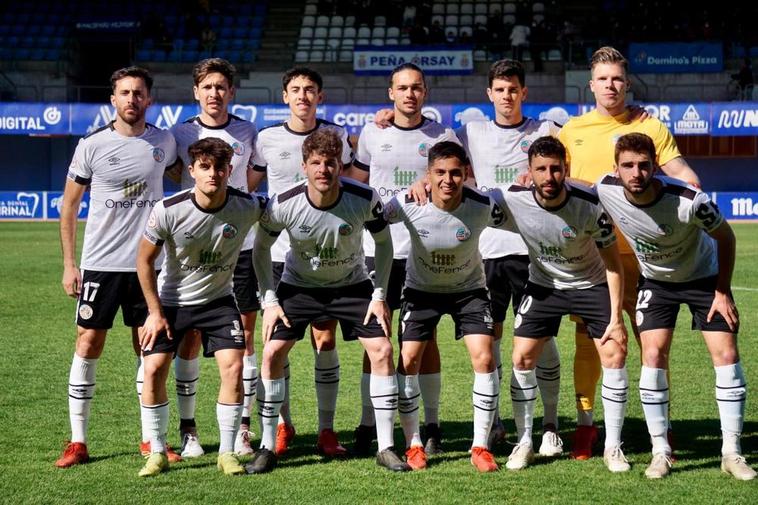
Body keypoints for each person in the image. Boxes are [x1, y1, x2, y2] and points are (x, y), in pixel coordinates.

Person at [557, 46, 701, 460]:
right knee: (592, 342)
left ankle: (663, 427)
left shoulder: (650, 127)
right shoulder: (572, 131)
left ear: (627, 81)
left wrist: (697, 192)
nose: (611, 85)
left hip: (645, 258)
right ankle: (586, 428)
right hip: (592, 260)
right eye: (603, 79)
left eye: (617, 78)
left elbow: (679, 171)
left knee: (651, 343)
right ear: (591, 85)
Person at [597, 132, 755, 481]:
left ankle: (731, 452)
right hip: (657, 283)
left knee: (726, 355)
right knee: (652, 355)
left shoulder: (689, 201)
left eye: (643, 165)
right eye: (628, 166)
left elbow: (725, 236)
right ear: (616, 169)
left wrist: (723, 290)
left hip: (704, 278)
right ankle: (660, 452)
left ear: (655, 165)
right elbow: (576, 186)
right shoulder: (605, 189)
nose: (636, 173)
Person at [249, 128, 408, 473]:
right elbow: (260, 248)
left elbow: (384, 245)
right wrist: (270, 300)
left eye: (331, 163)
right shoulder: (282, 203)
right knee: (273, 352)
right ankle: (265, 446)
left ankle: (386, 446)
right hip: (298, 287)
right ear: (304, 166)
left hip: (351, 286)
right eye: (316, 163)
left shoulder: (364, 198)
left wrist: (379, 295)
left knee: (382, 349)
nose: (324, 169)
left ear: (340, 165)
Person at [56, 67, 178, 468]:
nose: (132, 99)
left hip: (149, 266)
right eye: (124, 93)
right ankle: (78, 441)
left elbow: (190, 172)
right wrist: (70, 264)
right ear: (113, 99)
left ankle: (150, 440)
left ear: (149, 98)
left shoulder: (164, 141)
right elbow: (69, 205)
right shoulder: (92, 145)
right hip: (101, 265)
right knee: (88, 343)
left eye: (139, 93)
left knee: (148, 351)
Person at [344, 63, 459, 455]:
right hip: (377, 250)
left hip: (423, 251)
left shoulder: (443, 134)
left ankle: (431, 424)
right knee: (375, 338)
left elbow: (462, 181)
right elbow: (355, 182)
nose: (410, 94)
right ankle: (367, 423)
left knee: (424, 338)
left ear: (425, 93)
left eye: (417, 88)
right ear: (390, 93)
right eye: (403, 88)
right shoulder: (374, 132)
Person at [136, 137, 266, 477]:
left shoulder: (247, 205)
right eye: (205, 168)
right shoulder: (169, 208)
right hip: (172, 302)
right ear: (191, 171)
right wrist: (154, 312)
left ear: (230, 170)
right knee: (152, 369)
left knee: (234, 367)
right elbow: (143, 261)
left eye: (220, 168)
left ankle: (226, 452)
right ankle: (158, 451)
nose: (213, 174)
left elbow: (294, 203)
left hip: (218, 302)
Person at [499, 136, 630, 473]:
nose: (548, 176)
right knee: (522, 356)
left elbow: (614, 265)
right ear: (528, 172)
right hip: (544, 286)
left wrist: (616, 318)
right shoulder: (514, 200)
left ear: (566, 170)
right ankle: (524, 441)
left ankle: (613, 446)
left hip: (591, 284)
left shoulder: (588, 204)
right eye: (540, 169)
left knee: (613, 352)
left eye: (555, 169)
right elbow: (464, 202)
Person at [456, 59, 563, 454]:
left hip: (533, 251)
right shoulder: (471, 131)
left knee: (541, 337)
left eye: (513, 89)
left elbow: (574, 155)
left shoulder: (545, 129)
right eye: (499, 90)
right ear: (489, 94)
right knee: (492, 336)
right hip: (485, 253)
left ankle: (550, 424)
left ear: (524, 92)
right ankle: (498, 419)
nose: (507, 96)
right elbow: (431, 155)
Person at [249, 67, 354, 458]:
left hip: (323, 257)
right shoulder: (266, 139)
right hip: (277, 258)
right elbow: (250, 186)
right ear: (285, 96)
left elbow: (358, 178)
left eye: (310, 90)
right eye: (296, 90)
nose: (303, 96)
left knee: (324, 339)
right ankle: (282, 425)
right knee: (277, 344)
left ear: (320, 97)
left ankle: (327, 431)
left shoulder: (338, 136)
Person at [386, 141, 505, 472]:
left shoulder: (483, 204)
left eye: (455, 173)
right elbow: (374, 218)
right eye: (440, 173)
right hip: (420, 291)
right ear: (428, 175)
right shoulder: (409, 203)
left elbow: (521, 215)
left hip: (469, 291)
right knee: (408, 359)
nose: (448, 180)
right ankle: (413, 444)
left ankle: (480, 446)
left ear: (466, 173)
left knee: (484, 356)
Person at [167, 58, 259, 458]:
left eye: (221, 87)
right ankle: (189, 430)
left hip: (239, 248)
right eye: (207, 87)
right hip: (189, 252)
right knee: (188, 339)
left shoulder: (247, 131)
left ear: (231, 92)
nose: (214, 94)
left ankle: (242, 426)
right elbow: (174, 177)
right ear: (196, 92)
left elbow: (250, 183)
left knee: (244, 339)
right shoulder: (179, 132)